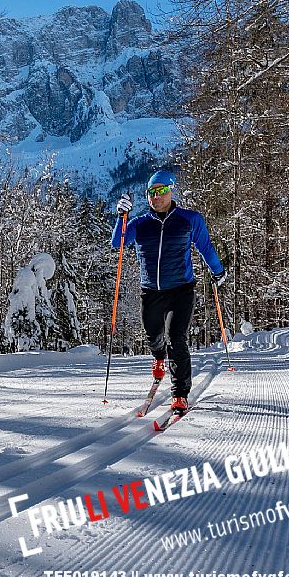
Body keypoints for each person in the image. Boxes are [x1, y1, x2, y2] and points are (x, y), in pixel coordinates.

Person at [112, 170, 227, 413]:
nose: (156, 196)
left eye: (161, 191)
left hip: (181, 290)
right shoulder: (139, 224)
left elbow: (205, 247)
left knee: (177, 339)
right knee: (154, 335)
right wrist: (121, 217)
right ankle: (158, 358)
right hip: (151, 291)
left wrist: (218, 271)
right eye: (152, 193)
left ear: (171, 190)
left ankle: (180, 393)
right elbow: (117, 243)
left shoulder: (189, 219)